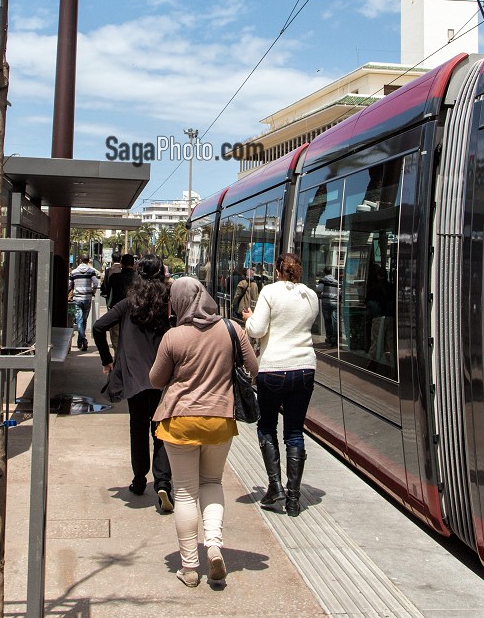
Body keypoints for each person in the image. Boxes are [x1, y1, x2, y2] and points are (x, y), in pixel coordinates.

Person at [150, 277, 258, 589]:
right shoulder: (232, 329)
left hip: (179, 421)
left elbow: (156, 380)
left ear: (177, 302)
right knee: (212, 482)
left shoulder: (173, 337)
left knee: (184, 492)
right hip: (220, 421)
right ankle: (213, 546)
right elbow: (253, 367)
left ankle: (189, 567)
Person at [241, 252, 319, 516]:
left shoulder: (269, 292)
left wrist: (249, 318)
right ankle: (294, 499)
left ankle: (275, 486)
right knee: (295, 432)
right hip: (305, 368)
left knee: (267, 427)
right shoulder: (311, 295)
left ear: (277, 271)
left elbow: (257, 329)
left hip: (274, 369)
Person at [94, 254, 173, 510]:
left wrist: (107, 360)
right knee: (161, 431)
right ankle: (163, 484)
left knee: (138, 429)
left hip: (135, 379)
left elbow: (98, 327)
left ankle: (139, 480)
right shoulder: (167, 303)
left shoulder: (128, 304)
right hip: (163, 378)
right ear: (162, 274)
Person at [68, 256, 100, 350]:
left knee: (79, 320)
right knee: (84, 319)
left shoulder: (74, 272)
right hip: (87, 298)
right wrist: (93, 291)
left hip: (77, 297)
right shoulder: (91, 271)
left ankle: (80, 341)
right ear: (88, 261)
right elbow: (95, 283)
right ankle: (83, 340)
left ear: (81, 260)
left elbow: (69, 285)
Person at [315, 269, 340, 345]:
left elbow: (319, 289)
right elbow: (339, 292)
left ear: (324, 272)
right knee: (335, 321)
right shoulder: (336, 281)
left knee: (327, 320)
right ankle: (335, 338)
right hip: (335, 303)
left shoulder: (323, 280)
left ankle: (329, 337)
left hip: (326, 302)